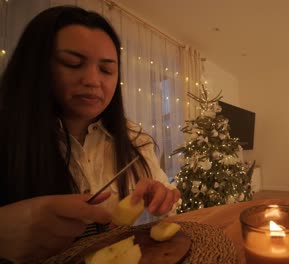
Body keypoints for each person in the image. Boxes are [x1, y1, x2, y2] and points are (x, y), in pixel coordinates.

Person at [0, 6, 180, 263]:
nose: (93, 81)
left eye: (106, 70)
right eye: (72, 64)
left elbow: (163, 210)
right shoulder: (7, 136)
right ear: (36, 66)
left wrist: (160, 200)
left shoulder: (134, 138)